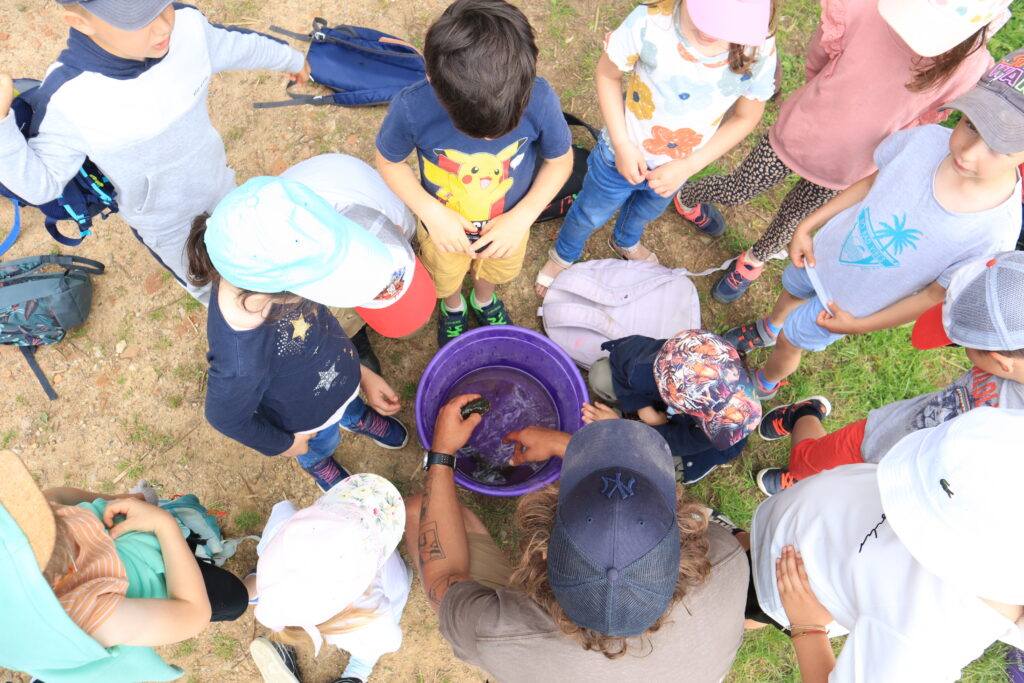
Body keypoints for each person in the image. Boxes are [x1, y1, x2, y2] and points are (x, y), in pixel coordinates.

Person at [724, 52, 1024, 400]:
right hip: (823, 254)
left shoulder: (994, 233)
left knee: (793, 339)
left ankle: (763, 383)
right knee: (791, 289)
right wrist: (809, 224)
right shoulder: (925, 142)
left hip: (850, 305)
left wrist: (859, 324)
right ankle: (768, 327)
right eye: (971, 124)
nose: (968, 152)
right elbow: (872, 183)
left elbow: (933, 295)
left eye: (998, 146)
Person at [672, 0, 1005, 303]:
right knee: (740, 187)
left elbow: (924, 119)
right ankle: (686, 196)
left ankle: (753, 261)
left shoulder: (968, 66)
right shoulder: (870, 8)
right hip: (801, 131)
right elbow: (820, 56)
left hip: (850, 164)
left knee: (795, 218)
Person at [404, 395, 749, 681]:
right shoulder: (726, 562)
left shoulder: (501, 636)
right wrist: (560, 444)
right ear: (681, 548)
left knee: (418, 510)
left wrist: (442, 455)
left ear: (542, 554)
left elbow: (443, 580)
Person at [0, 0, 310, 303]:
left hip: (219, 182)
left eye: (163, 6)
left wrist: (291, 59)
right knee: (204, 281)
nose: (163, 26)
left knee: (250, 247)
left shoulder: (188, 29)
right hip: (166, 223)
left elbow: (239, 45)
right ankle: (224, 314)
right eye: (136, 20)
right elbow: (41, 186)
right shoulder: (67, 100)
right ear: (81, 23)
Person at [186, 177, 433, 491]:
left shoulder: (274, 265)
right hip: (307, 419)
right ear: (276, 291)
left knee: (349, 404)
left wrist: (362, 374)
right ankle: (317, 460)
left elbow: (323, 327)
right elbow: (225, 417)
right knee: (320, 442)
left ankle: (353, 415)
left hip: (339, 375)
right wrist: (285, 444)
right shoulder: (240, 360)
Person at [749, 408, 1024, 681]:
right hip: (792, 520)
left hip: (777, 582)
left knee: (737, 602)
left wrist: (807, 626)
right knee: (734, 549)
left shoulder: (928, 643)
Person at [534, 0, 778, 296]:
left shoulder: (759, 45)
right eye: (704, 15)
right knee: (589, 213)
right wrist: (623, 144)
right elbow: (607, 74)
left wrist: (687, 167)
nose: (708, 32)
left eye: (725, 25)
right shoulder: (650, 22)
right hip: (618, 155)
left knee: (644, 212)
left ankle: (626, 241)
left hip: (678, 168)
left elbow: (746, 116)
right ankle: (563, 255)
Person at [375, 0, 573, 346]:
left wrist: (522, 217)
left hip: (510, 224)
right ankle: (453, 307)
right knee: (445, 276)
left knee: (496, 270)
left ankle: (483, 298)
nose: (487, 139)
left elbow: (560, 161)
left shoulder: (538, 98)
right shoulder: (412, 107)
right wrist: (432, 213)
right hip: (441, 227)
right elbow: (389, 161)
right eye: (473, 131)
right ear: (431, 78)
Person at [754, 249, 1024, 494]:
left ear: (1000, 361)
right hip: (880, 438)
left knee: (837, 495)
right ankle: (804, 415)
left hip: (913, 484)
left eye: (965, 345)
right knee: (806, 464)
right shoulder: (1011, 354)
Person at [0, 449, 248, 682]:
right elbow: (192, 613)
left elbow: (56, 496)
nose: (38, 506)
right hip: (165, 583)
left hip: (134, 539)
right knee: (234, 598)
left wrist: (123, 500)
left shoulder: (23, 515)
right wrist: (163, 525)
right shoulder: (86, 616)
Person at [245, 473, 411, 683]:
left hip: (328, 618)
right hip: (382, 597)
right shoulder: (364, 613)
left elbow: (282, 509)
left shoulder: (279, 530)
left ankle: (262, 591)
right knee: (367, 653)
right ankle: (356, 674)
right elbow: (391, 642)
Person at [585, 330, 761, 484]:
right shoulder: (648, 365)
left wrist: (621, 428)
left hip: (691, 447)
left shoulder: (725, 427)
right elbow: (619, 360)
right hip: (665, 403)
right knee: (601, 375)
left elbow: (677, 442)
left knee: (649, 467)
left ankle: (685, 468)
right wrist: (643, 408)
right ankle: (637, 414)